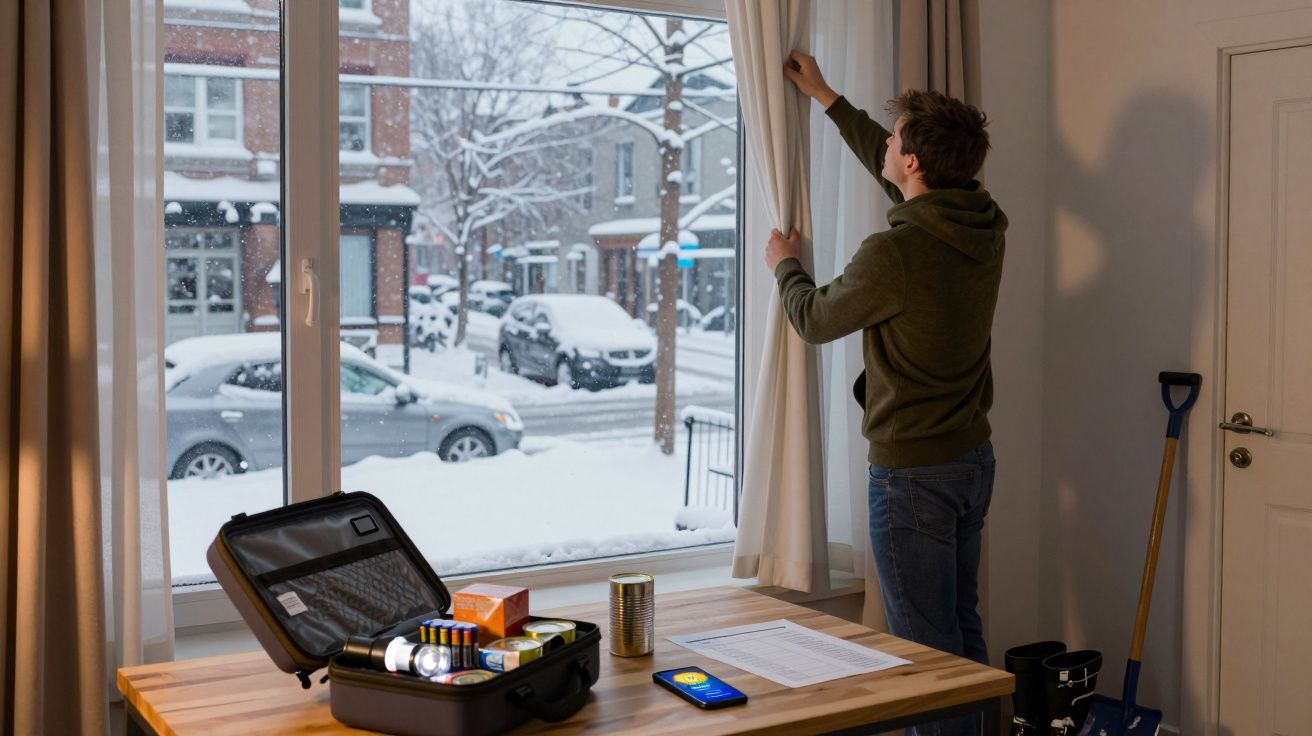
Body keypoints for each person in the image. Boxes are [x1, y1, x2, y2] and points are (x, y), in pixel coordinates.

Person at [774, 51, 1006, 736]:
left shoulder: (896, 254)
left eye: (898, 136)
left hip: (913, 475)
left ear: (914, 164)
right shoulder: (983, 221)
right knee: (961, 636)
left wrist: (784, 265)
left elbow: (814, 318)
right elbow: (895, 161)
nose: (891, 143)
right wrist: (825, 98)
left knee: (926, 659)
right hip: (972, 460)